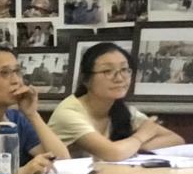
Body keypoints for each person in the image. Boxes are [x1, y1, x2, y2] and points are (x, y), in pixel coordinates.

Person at [49, 42, 183, 160]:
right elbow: (113, 153)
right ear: (86, 79)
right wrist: (140, 137)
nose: (119, 78)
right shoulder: (68, 113)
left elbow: (176, 140)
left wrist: (131, 147)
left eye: (124, 70)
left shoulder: (121, 109)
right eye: (107, 71)